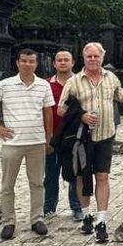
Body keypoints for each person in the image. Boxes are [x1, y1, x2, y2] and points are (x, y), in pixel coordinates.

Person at [57, 42, 123, 243]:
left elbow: (122, 97)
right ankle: (86, 215)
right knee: (82, 177)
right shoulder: (74, 82)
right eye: (89, 56)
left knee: (103, 176)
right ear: (84, 58)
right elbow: (61, 109)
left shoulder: (110, 78)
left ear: (102, 58)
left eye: (96, 56)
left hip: (105, 136)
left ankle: (102, 220)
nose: (93, 59)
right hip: (82, 138)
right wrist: (81, 115)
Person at [0, 49, 55, 240]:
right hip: (12, 143)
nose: (27, 64)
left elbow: (48, 112)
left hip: (36, 142)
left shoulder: (43, 85)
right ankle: (8, 221)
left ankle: (37, 219)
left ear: (36, 64)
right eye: (24, 61)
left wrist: (49, 137)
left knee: (37, 183)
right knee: (8, 185)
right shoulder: (5, 85)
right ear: (17, 63)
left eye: (31, 61)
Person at [44, 50, 83, 221]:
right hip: (52, 135)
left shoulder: (81, 83)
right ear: (54, 63)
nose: (62, 62)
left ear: (72, 62)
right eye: (59, 60)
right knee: (51, 174)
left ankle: (77, 206)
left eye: (66, 60)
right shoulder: (46, 85)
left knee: (75, 173)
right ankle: (48, 207)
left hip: (74, 136)